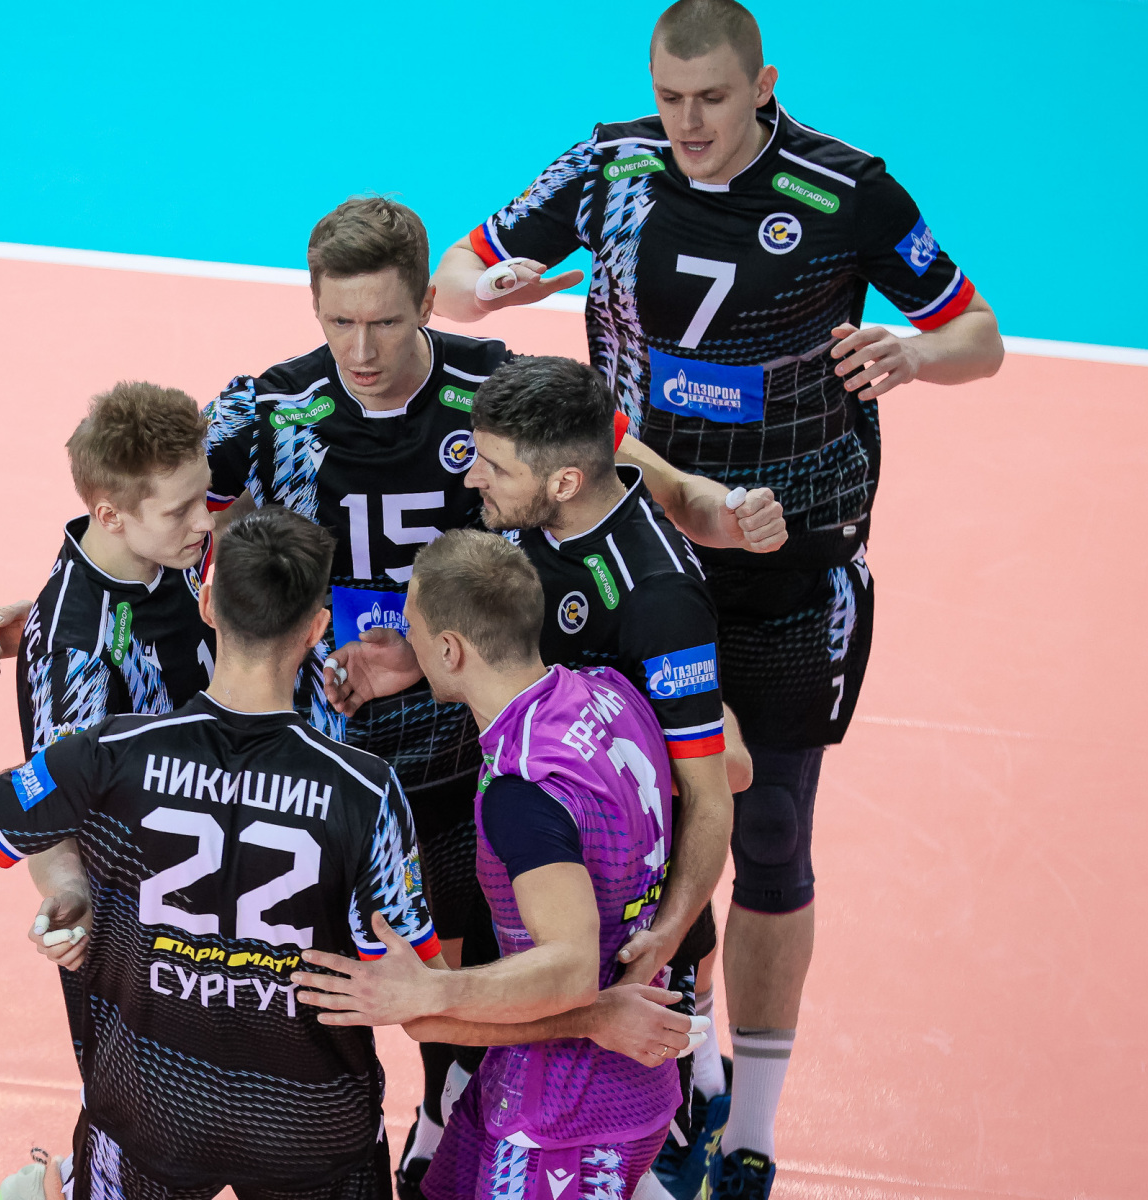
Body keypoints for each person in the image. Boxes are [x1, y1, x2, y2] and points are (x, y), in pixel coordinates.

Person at [430, 2, 1005, 1193]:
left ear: (763, 85)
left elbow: (977, 336)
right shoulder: (610, 165)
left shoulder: (848, 194)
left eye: (712, 98)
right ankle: (674, 1065)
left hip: (785, 568)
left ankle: (753, 1132)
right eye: (670, 96)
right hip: (620, 547)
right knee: (618, 825)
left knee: (769, 833)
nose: (687, 121)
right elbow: (457, 274)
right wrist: (491, 291)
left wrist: (914, 354)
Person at [202, 196, 782, 1194]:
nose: (361, 349)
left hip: (488, 745)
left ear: (428, 303)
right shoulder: (273, 410)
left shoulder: (508, 404)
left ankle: (656, 1091)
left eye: (386, 321)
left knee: (528, 931)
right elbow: (175, 524)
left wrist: (714, 510)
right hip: (389, 725)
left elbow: (626, 468)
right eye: (339, 322)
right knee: (433, 943)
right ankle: (455, 1108)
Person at [0, 506, 441, 1200]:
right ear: (316, 629)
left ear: (208, 604)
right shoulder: (366, 790)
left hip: (149, 1112)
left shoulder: (107, 755)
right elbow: (425, 999)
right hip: (309, 1128)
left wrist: (51, 777)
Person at [323, 357, 745, 1193]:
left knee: (602, 1120)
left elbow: (713, 786)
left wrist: (665, 935)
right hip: (532, 882)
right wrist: (417, 658)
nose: (470, 477)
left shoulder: (658, 597)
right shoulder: (529, 522)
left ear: (564, 480)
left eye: (493, 465)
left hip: (616, 927)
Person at [293, 530, 697, 1200]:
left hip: (563, 1119)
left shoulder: (523, 791)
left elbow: (569, 970)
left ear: (451, 649)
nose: (406, 641)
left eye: (414, 630)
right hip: (551, 1079)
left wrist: (430, 994)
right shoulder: (609, 692)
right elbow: (721, 773)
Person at [0, 382, 220, 1088]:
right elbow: (51, 802)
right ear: (110, 514)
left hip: (225, 877)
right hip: (146, 926)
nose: (206, 520)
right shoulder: (74, 651)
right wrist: (67, 891)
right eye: (181, 510)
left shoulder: (165, 551)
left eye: (203, 496)